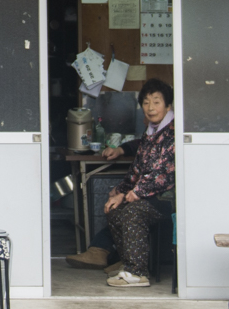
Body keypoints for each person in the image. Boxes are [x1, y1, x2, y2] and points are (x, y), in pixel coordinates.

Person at [64, 79, 176, 288]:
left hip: (167, 197)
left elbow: (164, 173)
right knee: (114, 209)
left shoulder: (173, 132)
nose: (150, 108)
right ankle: (129, 262)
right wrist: (121, 191)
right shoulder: (152, 131)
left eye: (157, 102)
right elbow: (138, 167)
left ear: (168, 106)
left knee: (133, 212)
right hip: (149, 194)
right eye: (145, 102)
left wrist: (134, 192)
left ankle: (137, 272)